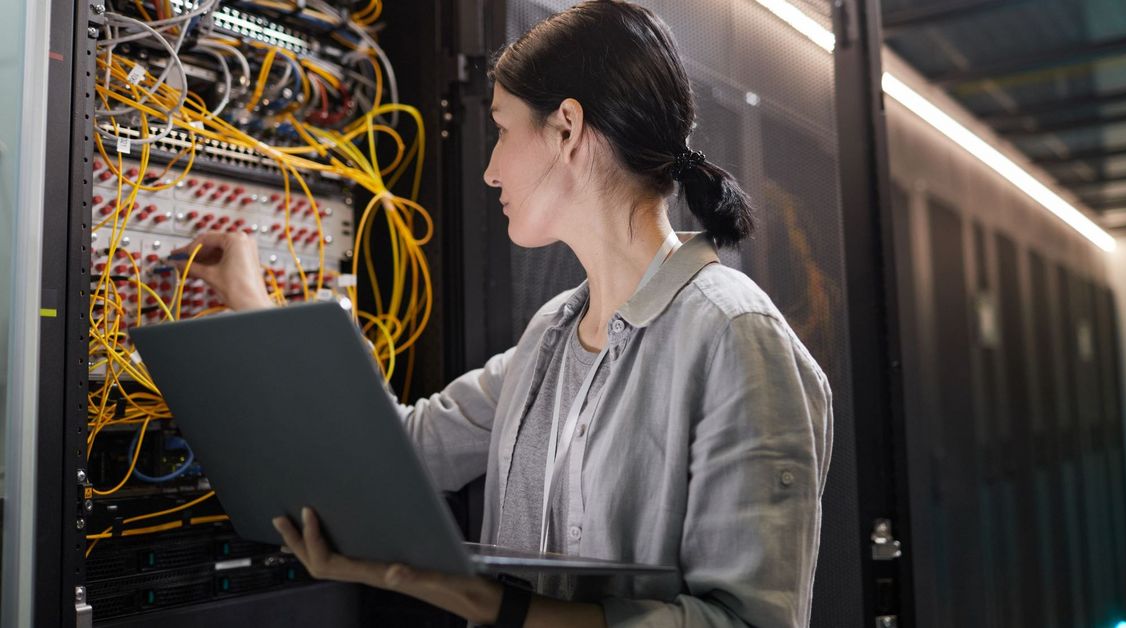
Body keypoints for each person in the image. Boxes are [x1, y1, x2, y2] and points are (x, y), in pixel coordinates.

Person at [172, 1, 833, 626]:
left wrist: (494, 606)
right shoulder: (551, 335)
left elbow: (744, 621)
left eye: (501, 128)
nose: (489, 170)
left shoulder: (733, 336)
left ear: (567, 129)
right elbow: (405, 451)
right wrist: (254, 305)